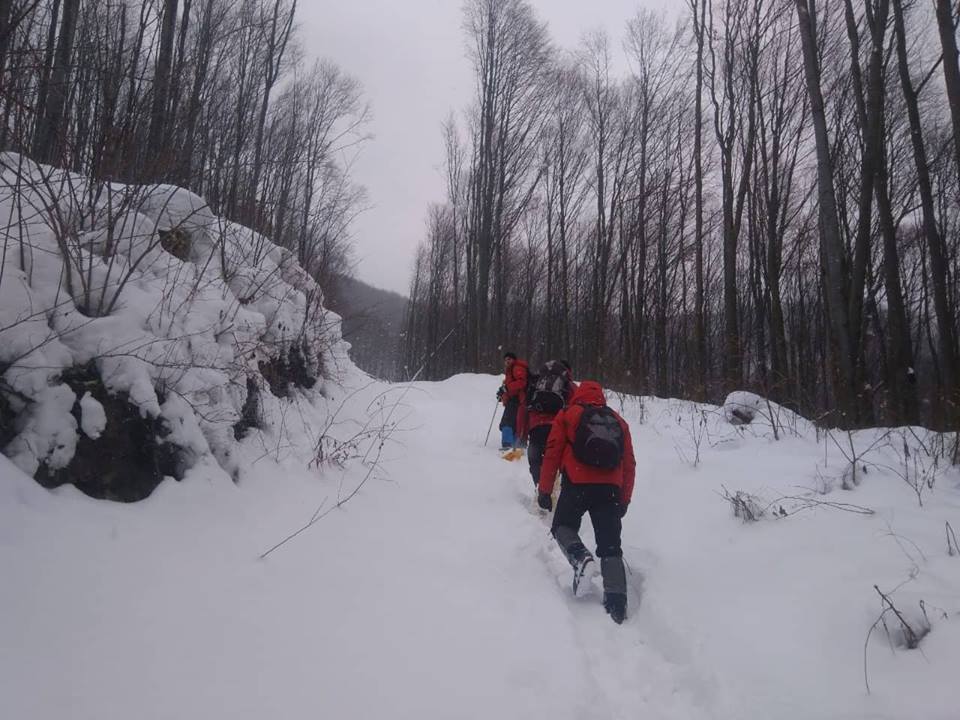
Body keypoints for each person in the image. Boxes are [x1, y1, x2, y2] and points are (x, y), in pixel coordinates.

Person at [537, 381, 636, 624]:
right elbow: (630, 464)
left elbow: (552, 452)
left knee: (563, 526)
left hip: (577, 483)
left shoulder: (569, 414)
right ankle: (617, 604)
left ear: (578, 394)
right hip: (610, 490)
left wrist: (545, 490)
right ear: (601, 397)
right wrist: (624, 499)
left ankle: (580, 557)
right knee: (611, 544)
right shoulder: (618, 421)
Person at [526, 360, 576, 486]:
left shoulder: (538, 381)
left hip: (536, 427)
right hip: (557, 428)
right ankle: (555, 489)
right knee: (556, 460)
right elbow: (576, 410)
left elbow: (526, 405)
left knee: (535, 460)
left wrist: (523, 432)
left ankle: (539, 487)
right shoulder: (569, 385)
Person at [497, 352, 528, 451]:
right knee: (514, 423)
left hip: (516, 400)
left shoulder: (517, 368)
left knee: (507, 422)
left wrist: (506, 388)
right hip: (516, 400)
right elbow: (510, 388)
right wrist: (502, 394)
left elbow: (521, 383)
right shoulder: (511, 370)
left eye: (509, 359)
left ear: (514, 360)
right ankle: (515, 445)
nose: (507, 361)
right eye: (505, 360)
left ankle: (508, 445)